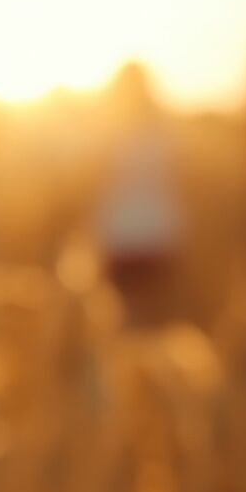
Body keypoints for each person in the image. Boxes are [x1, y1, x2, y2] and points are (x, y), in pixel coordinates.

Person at [92, 61, 184, 325]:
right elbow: (176, 180)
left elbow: (99, 185)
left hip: (120, 235)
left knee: (122, 320)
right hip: (159, 234)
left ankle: (127, 364)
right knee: (152, 319)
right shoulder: (166, 130)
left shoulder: (110, 130)